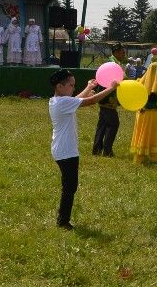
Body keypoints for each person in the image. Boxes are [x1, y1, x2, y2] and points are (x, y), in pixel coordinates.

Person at [47, 69, 118, 230]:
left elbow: (76, 100)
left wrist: (88, 86)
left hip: (61, 150)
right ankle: (63, 221)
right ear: (59, 86)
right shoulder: (62, 103)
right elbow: (91, 101)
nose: (73, 88)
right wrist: (111, 88)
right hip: (66, 152)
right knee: (70, 187)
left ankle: (63, 219)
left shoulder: (57, 101)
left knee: (69, 186)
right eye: (71, 85)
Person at [91, 80, 121, 157]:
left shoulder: (104, 80)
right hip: (108, 107)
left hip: (104, 107)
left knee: (101, 127)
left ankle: (97, 150)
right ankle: (107, 151)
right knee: (113, 125)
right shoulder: (109, 80)